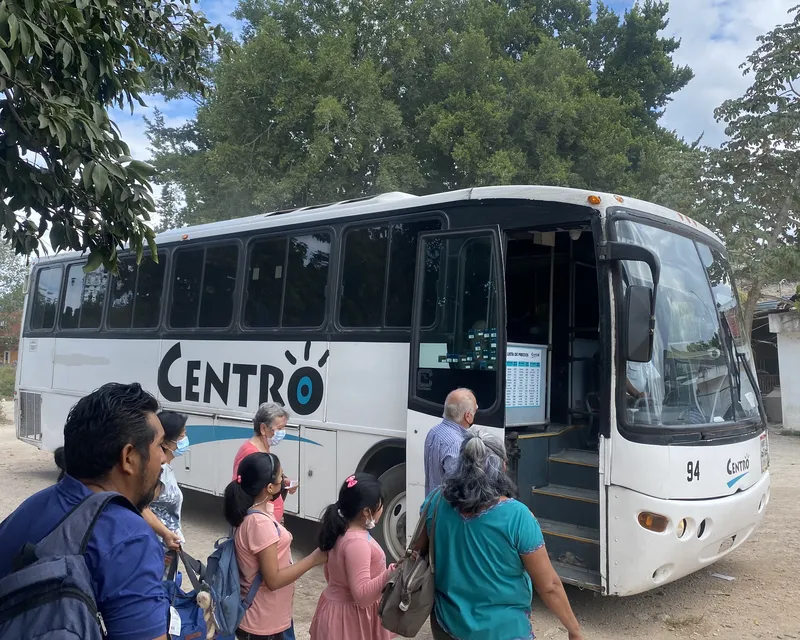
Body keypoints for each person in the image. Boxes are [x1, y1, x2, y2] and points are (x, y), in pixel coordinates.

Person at [0, 382, 169, 640]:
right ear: (129, 457)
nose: (165, 458)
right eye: (160, 446)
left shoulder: (29, 508)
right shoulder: (129, 538)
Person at [420, 428, 583, 640]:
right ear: (502, 466)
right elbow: (549, 586)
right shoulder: (518, 516)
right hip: (504, 632)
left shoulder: (436, 501)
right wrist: (575, 630)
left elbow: (419, 552)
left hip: (448, 627)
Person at [224, 452, 327, 640]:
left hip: (268, 619)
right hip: (261, 625)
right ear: (269, 487)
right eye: (281, 476)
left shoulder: (255, 515)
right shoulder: (259, 525)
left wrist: (283, 492)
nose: (284, 479)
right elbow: (273, 580)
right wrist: (313, 559)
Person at [309, 473, 395, 640]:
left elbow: (331, 575)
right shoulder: (357, 542)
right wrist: (391, 572)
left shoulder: (341, 531)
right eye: (381, 505)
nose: (382, 509)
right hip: (349, 619)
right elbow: (362, 596)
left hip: (337, 612)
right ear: (366, 512)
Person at [232, 403, 298, 525]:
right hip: (259, 526)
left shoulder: (263, 448)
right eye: (279, 428)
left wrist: (284, 482)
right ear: (263, 429)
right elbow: (242, 492)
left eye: (284, 427)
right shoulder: (250, 453)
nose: (282, 432)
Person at [143, 410, 188, 579]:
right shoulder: (159, 471)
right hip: (156, 551)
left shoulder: (166, 469)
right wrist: (165, 534)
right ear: (166, 442)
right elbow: (141, 508)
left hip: (165, 549)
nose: (185, 440)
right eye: (182, 435)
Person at [424, 388, 476, 496]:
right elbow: (458, 488)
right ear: (468, 416)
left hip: (433, 506)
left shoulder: (434, 431)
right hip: (448, 510)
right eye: (475, 411)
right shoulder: (457, 443)